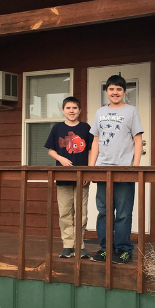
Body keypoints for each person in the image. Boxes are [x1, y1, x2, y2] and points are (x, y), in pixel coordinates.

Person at [88, 75, 143, 264]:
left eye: (119, 89)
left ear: (124, 92)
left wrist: (135, 167)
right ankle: (105, 249)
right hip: (103, 169)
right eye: (111, 89)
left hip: (124, 170)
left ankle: (123, 249)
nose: (115, 92)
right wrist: (91, 168)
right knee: (104, 211)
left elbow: (138, 140)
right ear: (106, 91)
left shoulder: (131, 111)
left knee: (123, 212)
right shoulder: (100, 112)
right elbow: (95, 141)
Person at [44, 96, 92, 259]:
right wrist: (61, 159)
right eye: (68, 108)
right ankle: (67, 245)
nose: (72, 111)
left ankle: (80, 245)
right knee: (64, 211)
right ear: (63, 110)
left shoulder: (86, 128)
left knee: (81, 212)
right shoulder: (57, 128)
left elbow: (92, 150)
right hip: (63, 176)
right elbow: (50, 150)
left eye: (75, 108)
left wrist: (89, 171)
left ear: (80, 110)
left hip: (82, 177)